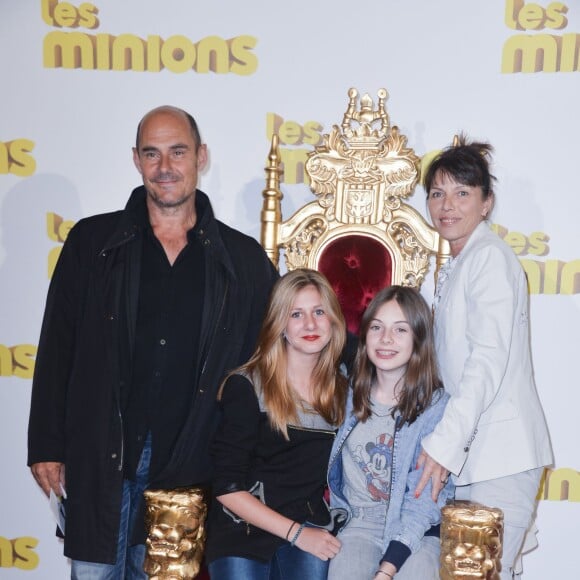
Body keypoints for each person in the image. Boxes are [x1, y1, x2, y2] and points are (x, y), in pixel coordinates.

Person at [27, 105, 278, 579]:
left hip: (189, 463)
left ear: (201, 157)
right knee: (94, 574)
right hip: (98, 454)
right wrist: (45, 443)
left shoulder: (241, 259)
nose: (165, 167)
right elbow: (56, 346)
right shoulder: (92, 243)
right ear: (137, 160)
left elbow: (281, 345)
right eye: (152, 153)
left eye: (178, 152)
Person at [415, 135, 553, 579]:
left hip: (501, 456)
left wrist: (440, 447)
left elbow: (485, 364)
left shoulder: (489, 258)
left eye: (462, 193)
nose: (447, 205)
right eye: (437, 193)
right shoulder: (462, 262)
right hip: (478, 457)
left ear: (486, 203)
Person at [205, 268, 346, 580]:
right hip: (242, 528)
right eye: (296, 314)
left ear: (333, 320)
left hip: (309, 523)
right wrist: (296, 534)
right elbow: (227, 487)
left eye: (319, 312)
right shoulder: (245, 386)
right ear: (280, 323)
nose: (310, 324)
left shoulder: (344, 391)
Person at [327, 285, 454, 580]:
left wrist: (387, 570)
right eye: (377, 327)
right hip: (359, 525)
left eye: (400, 330)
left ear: (418, 339)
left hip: (416, 529)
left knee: (419, 571)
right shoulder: (344, 394)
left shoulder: (437, 408)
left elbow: (425, 501)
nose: (386, 339)